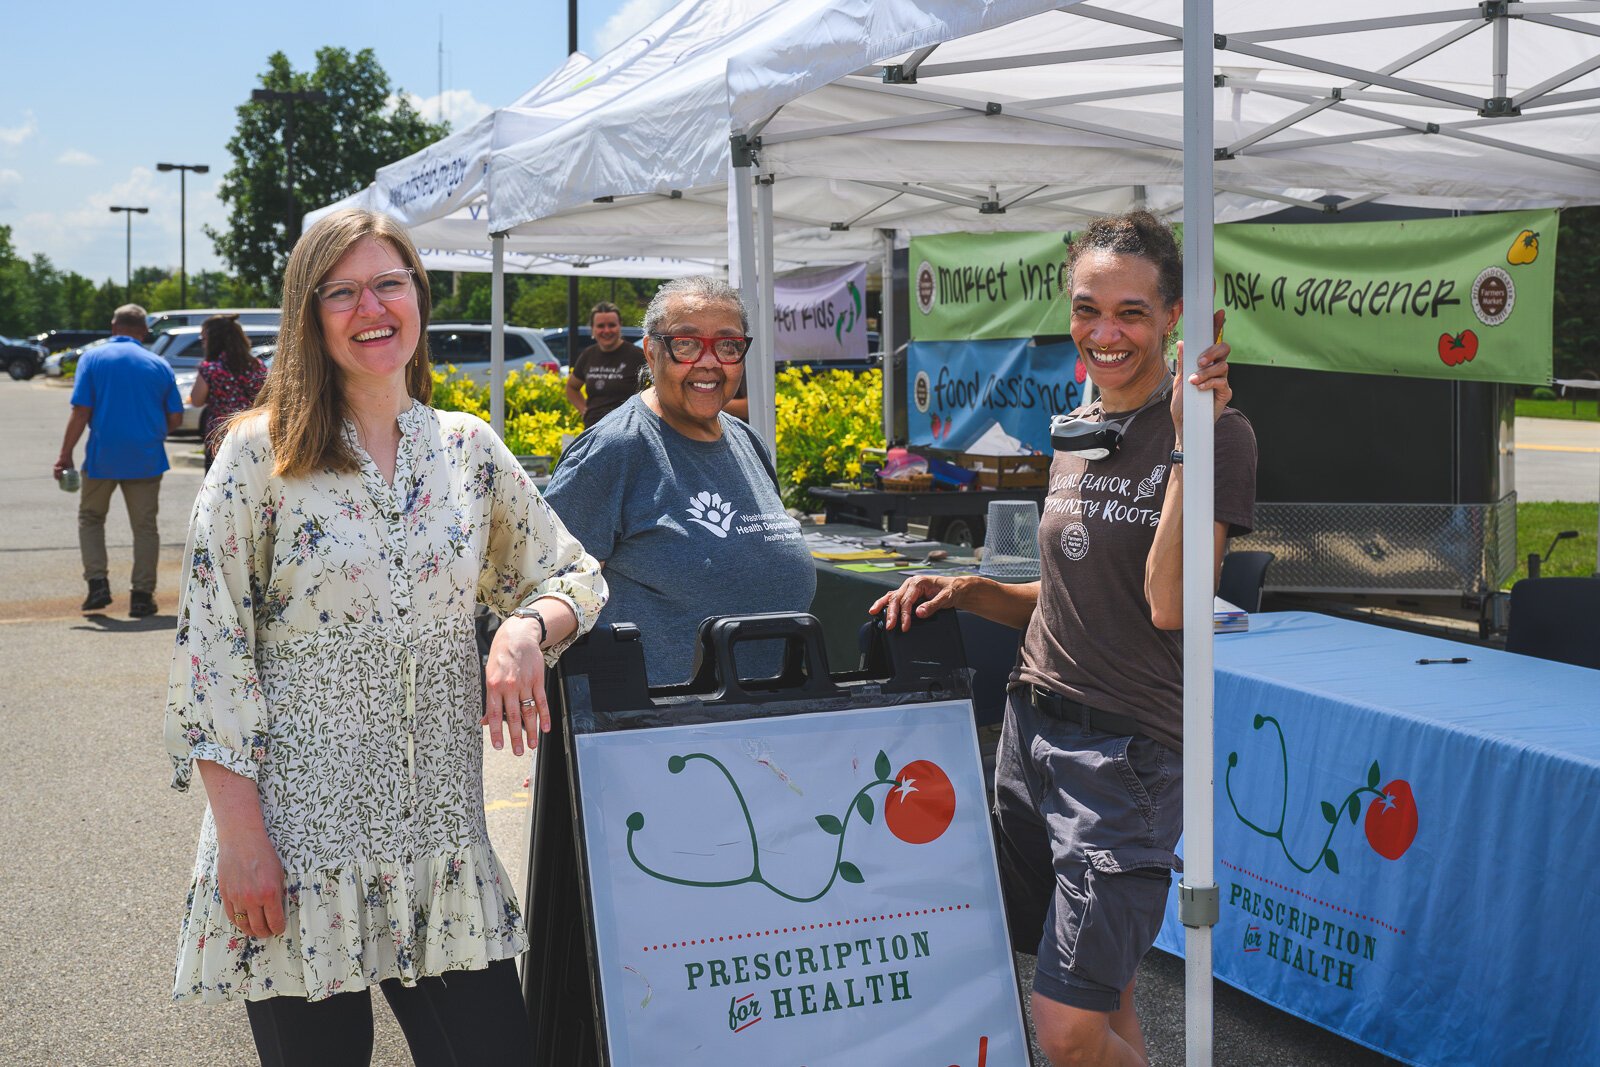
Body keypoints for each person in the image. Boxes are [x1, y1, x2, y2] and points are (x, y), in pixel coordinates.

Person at [163, 208, 607, 1067]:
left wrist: (523, 625)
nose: (372, 306)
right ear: (309, 313)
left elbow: (576, 574)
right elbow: (209, 651)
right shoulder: (259, 456)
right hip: (298, 846)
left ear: (419, 296)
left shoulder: (468, 449)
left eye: (389, 283)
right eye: (343, 291)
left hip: (439, 847)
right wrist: (241, 838)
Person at [870, 212, 1256, 1067]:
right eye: (1089, 309)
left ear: (1175, 316)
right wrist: (973, 590)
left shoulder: (1218, 433)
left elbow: (1166, 600)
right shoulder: (1078, 423)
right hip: (1032, 732)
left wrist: (1190, 447)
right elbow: (1080, 591)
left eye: (1132, 311)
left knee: (1065, 1027)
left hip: (1123, 757)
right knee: (1106, 992)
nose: (1106, 332)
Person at [544, 275, 815, 685]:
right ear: (651, 353)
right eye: (685, 343)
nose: (709, 362)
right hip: (665, 731)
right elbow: (549, 589)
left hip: (772, 719)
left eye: (728, 345)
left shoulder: (748, 442)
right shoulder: (615, 450)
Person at [53, 303, 183, 617]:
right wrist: (150, 434)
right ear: (144, 331)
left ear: (114, 328)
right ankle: (141, 596)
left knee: (91, 519)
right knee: (145, 527)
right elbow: (176, 417)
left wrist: (65, 454)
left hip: (102, 458)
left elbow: (81, 411)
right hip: (146, 458)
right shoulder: (159, 363)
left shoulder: (93, 359)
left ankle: (97, 584)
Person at [189, 314, 268, 470]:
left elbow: (196, 400)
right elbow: (265, 398)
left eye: (203, 338)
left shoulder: (210, 368)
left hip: (219, 438)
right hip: (251, 434)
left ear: (213, 340)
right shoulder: (256, 365)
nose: (203, 343)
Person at [564, 301, 647, 428]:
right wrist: (584, 411)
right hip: (593, 430)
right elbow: (571, 388)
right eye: (601, 326)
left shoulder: (637, 355)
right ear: (592, 329)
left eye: (612, 325)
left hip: (627, 431)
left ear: (620, 326)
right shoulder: (588, 355)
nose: (606, 330)